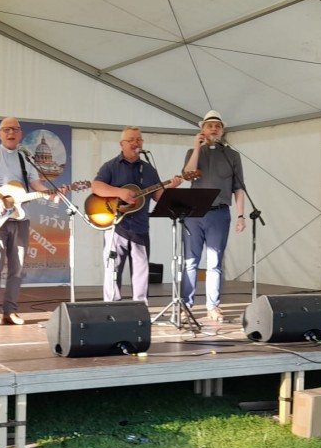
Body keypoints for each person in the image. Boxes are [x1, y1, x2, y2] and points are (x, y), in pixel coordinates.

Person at [0, 116, 60, 325]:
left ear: (20, 134)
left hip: (20, 218)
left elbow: (36, 185)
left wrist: (50, 194)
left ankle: (10, 311)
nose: (11, 133)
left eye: (15, 129)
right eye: (6, 129)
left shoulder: (25, 158)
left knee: (17, 268)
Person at [91, 127, 183, 303]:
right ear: (122, 144)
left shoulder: (148, 169)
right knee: (113, 269)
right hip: (116, 226)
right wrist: (119, 192)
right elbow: (96, 187)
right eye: (131, 140)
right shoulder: (111, 166)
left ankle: (141, 307)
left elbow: (158, 196)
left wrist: (171, 187)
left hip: (140, 227)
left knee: (142, 271)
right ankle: (112, 307)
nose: (136, 143)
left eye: (139, 140)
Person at [181, 110, 246, 322]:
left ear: (222, 130)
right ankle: (186, 305)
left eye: (217, 126)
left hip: (219, 213)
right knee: (191, 261)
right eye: (209, 126)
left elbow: (239, 187)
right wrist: (197, 147)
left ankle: (212, 306)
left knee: (214, 262)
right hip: (194, 213)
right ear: (202, 130)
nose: (214, 129)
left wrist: (241, 215)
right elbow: (187, 174)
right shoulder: (193, 152)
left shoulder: (232, 155)